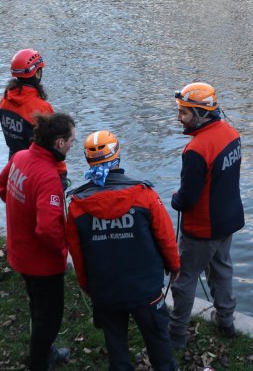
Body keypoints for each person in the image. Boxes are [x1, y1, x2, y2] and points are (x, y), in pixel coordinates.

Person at [65, 131, 180, 371]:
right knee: (158, 340)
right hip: (146, 289)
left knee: (116, 344)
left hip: (105, 289)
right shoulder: (144, 195)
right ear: (117, 154)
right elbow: (166, 237)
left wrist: (87, 285)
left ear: (88, 160)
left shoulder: (77, 206)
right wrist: (174, 265)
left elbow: (77, 254)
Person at [167, 82, 244, 349]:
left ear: (201, 114)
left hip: (202, 228)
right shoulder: (232, 134)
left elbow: (187, 199)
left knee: (184, 278)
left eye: (184, 112)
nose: (179, 118)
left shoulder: (196, 150)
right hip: (228, 219)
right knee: (222, 269)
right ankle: (226, 320)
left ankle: (176, 333)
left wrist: (175, 199)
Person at [0, 112, 76, 371]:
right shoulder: (48, 177)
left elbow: (2, 187)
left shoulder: (20, 157)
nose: (72, 145)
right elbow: (48, 230)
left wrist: (21, 210)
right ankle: (39, 362)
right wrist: (62, 252)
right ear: (59, 143)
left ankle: (43, 352)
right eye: (71, 141)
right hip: (42, 264)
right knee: (49, 318)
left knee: (37, 307)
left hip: (19, 252)